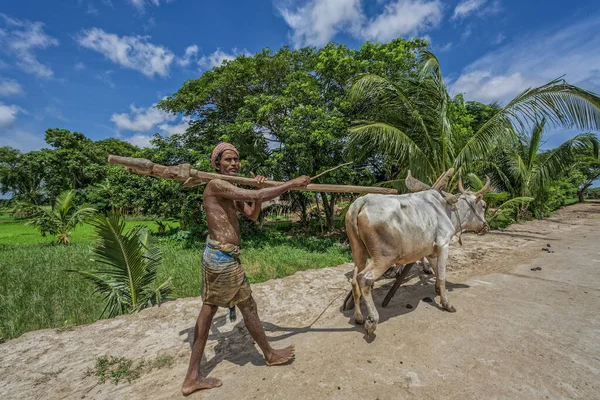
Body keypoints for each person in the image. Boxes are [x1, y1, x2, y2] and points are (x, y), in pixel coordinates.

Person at [182, 142, 311, 395]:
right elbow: (255, 196)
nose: (233, 164)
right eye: (228, 160)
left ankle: (193, 376)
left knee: (216, 311)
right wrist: (290, 183)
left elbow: (252, 212)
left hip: (223, 258)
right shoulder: (216, 185)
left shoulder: (229, 190)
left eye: (236, 160)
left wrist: (258, 188)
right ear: (217, 164)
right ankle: (268, 354)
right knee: (238, 307)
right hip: (222, 259)